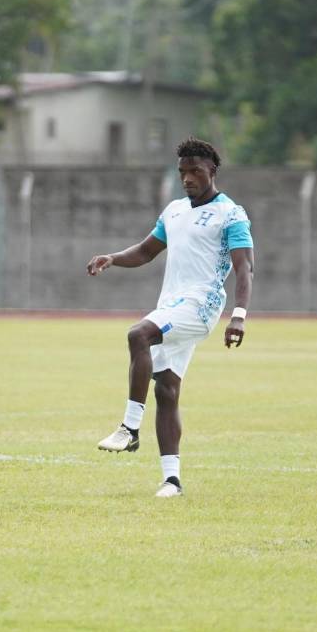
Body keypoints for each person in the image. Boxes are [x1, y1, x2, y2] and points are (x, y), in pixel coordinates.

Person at [86, 137, 254, 498]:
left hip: (202, 304)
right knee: (166, 390)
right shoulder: (174, 211)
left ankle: (130, 428)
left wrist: (239, 316)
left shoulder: (231, 214)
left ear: (212, 170)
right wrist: (113, 258)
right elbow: (146, 251)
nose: (188, 178)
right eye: (182, 172)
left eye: (195, 171)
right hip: (171, 306)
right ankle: (172, 480)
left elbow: (245, 268)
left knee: (139, 334)